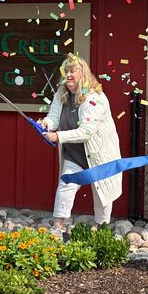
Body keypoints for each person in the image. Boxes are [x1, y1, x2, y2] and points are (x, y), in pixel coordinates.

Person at [39, 53, 121, 238]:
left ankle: (102, 229)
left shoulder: (95, 98)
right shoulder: (62, 92)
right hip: (75, 153)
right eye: (65, 71)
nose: (68, 75)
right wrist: (46, 124)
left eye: (72, 71)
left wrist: (57, 136)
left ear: (82, 73)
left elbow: (86, 132)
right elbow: (54, 116)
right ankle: (58, 228)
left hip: (99, 153)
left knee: (102, 191)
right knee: (66, 184)